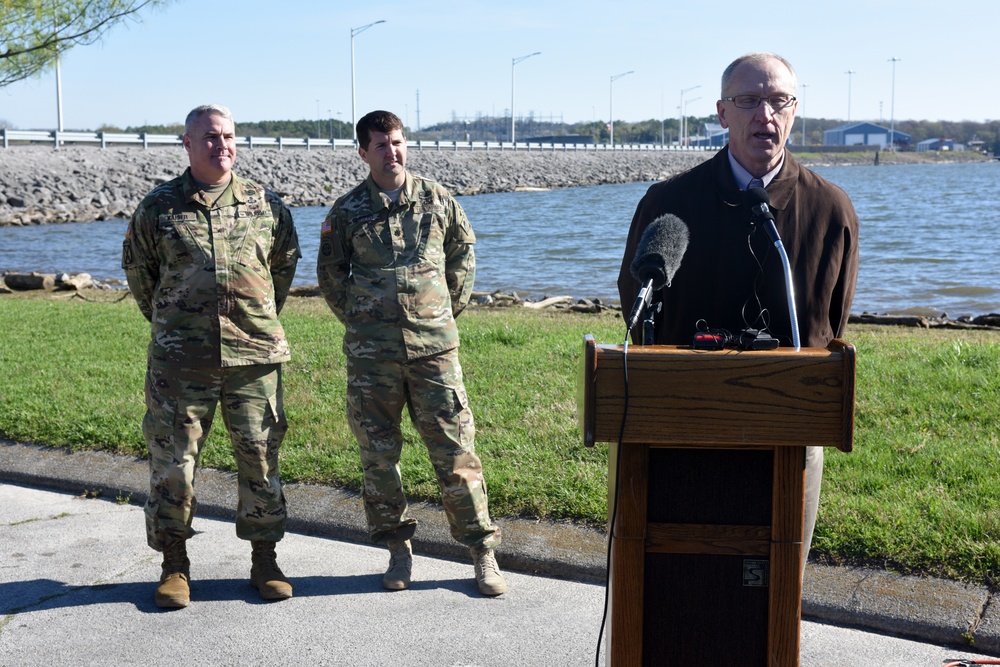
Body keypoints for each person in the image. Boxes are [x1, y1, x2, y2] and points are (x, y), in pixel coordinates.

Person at [618, 52, 859, 572]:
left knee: (774, 588)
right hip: (683, 430)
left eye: (778, 101)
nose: (763, 115)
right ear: (722, 112)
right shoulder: (668, 202)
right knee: (684, 586)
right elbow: (635, 308)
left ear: (795, 111)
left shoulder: (830, 209)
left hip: (790, 431)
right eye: (748, 101)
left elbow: (832, 323)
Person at [316, 110, 506, 596]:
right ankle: (398, 552)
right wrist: (364, 322)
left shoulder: (438, 200)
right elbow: (332, 276)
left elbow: (463, 256)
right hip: (371, 358)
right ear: (363, 152)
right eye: (380, 145)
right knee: (379, 458)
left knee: (457, 452)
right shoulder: (347, 211)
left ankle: (482, 552)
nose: (392, 152)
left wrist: (441, 312)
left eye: (397, 142)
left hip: (434, 353)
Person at [122, 103, 301, 608]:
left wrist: (254, 317)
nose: (220, 145)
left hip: (253, 357)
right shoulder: (158, 208)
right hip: (181, 362)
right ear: (186, 143)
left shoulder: (265, 203)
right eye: (208, 137)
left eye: (227, 136)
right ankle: (174, 564)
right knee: (173, 464)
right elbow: (141, 276)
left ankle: (265, 561)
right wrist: (176, 325)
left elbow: (281, 266)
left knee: (261, 459)